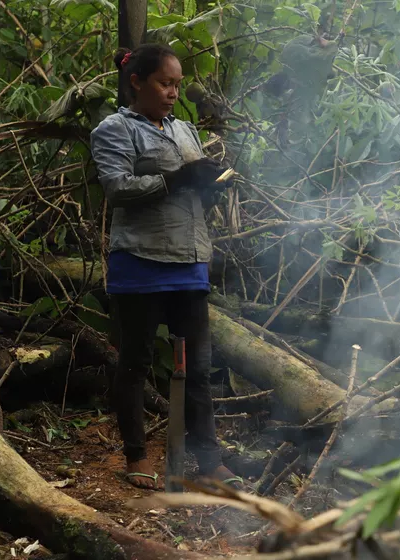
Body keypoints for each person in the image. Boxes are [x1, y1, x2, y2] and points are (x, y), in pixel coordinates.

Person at [89, 43, 236, 490]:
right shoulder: (114, 129)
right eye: (164, 83)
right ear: (137, 82)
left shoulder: (184, 130)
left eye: (176, 84)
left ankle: (207, 460)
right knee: (134, 361)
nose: (174, 92)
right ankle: (136, 456)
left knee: (198, 366)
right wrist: (174, 179)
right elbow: (116, 188)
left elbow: (191, 189)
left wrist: (208, 184)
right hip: (140, 260)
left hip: (190, 259)